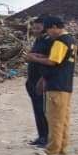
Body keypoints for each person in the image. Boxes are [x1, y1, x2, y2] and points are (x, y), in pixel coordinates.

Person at [27, 17, 76, 155]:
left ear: (54, 27)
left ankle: (52, 149)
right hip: (65, 84)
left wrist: (34, 58)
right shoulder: (71, 41)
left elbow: (52, 61)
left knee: (55, 119)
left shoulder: (60, 41)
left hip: (56, 84)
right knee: (63, 119)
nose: (48, 33)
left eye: (48, 30)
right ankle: (62, 148)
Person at [24, 17, 51, 147]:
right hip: (32, 80)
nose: (34, 30)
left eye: (38, 28)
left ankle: (47, 137)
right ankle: (41, 136)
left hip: (41, 80)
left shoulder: (49, 41)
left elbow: (51, 60)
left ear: (45, 28)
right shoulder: (38, 40)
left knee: (43, 109)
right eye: (33, 27)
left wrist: (43, 78)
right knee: (37, 110)